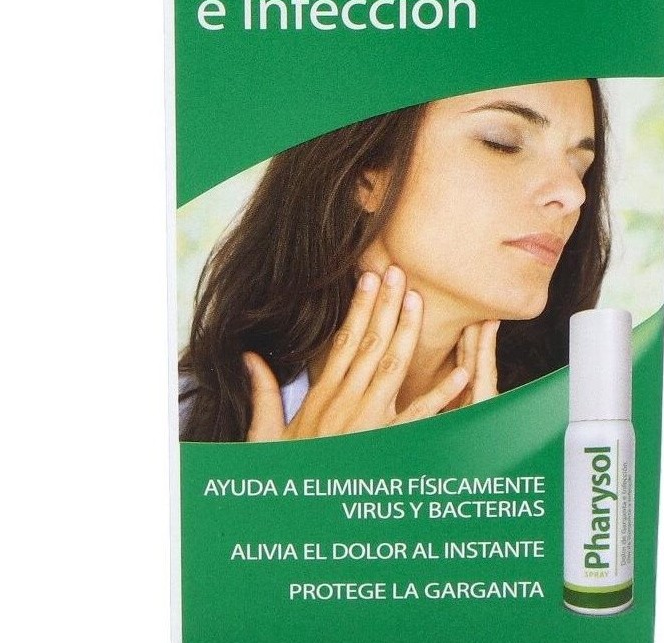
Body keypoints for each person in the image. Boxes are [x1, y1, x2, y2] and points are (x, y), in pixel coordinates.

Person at [178, 80, 610, 442]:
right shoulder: (178, 423)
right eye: (502, 142)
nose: (574, 193)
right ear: (365, 175)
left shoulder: (585, 432)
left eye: (580, 166)